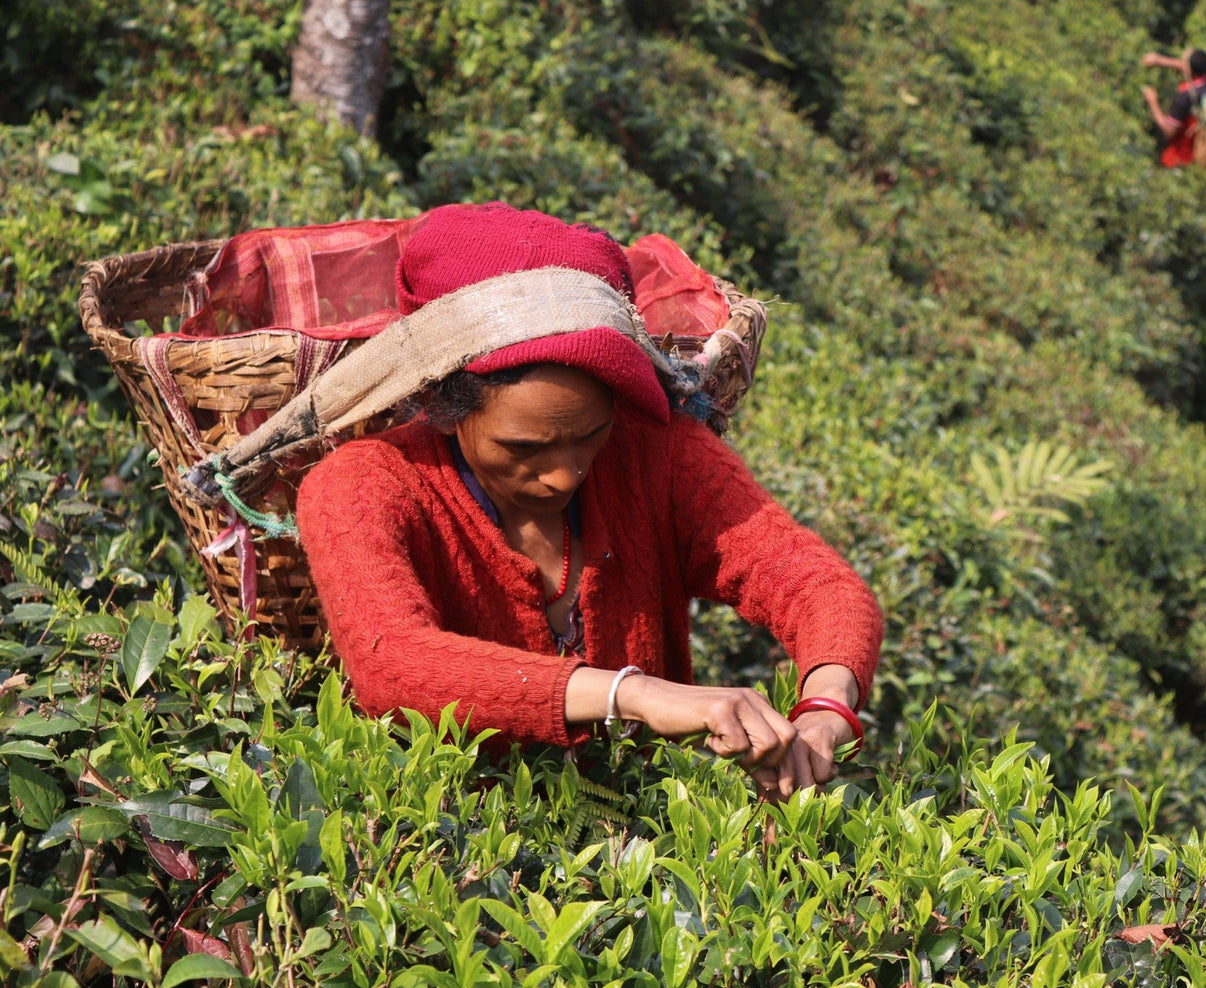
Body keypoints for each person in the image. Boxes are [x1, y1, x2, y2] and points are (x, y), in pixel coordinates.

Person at [294, 203, 884, 800]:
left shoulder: (658, 453)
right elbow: (393, 662)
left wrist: (825, 708)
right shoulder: (364, 484)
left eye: (590, 434)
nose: (564, 475)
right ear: (444, 408)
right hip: (451, 848)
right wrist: (634, 693)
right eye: (523, 446)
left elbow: (818, 587)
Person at [1141, 49, 1206, 168]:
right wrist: (1159, 60)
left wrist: (1153, 102)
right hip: (1202, 147)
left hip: (1181, 158)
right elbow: (1189, 68)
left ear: (1190, 70)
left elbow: (1169, 131)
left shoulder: (1185, 98)